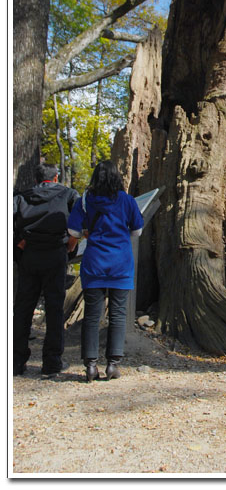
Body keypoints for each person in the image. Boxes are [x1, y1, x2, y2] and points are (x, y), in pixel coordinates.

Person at [67, 160, 144, 382]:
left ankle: (90, 366)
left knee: (92, 315)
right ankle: (113, 364)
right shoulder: (127, 200)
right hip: (120, 262)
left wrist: (87, 231)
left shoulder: (85, 200)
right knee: (118, 314)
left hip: (94, 262)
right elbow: (137, 230)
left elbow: (73, 230)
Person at [13, 164, 79, 377]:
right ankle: (51, 363)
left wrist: (18, 242)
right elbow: (81, 219)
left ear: (36, 179)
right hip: (55, 254)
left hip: (30, 255)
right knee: (54, 309)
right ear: (57, 177)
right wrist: (70, 244)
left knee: (23, 308)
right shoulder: (68, 195)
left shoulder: (22, 197)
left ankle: (15, 361)